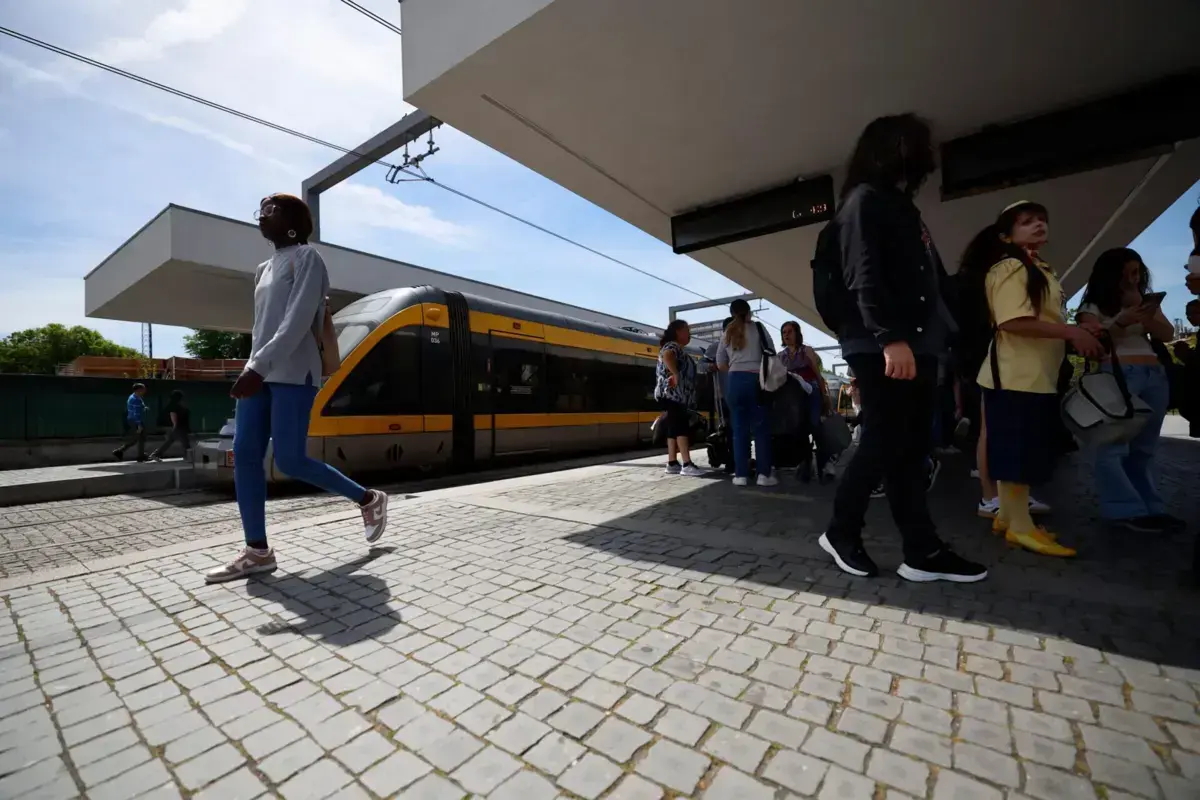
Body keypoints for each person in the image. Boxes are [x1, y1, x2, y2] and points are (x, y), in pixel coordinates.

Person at [816, 113, 987, 582]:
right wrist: (888, 337)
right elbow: (863, 273)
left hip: (915, 341)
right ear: (894, 149)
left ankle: (922, 550)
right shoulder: (864, 201)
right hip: (885, 343)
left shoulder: (897, 206)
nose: (928, 157)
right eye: (920, 146)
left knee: (910, 448)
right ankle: (841, 530)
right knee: (886, 439)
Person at [205, 194, 389, 584]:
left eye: (270, 210)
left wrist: (257, 366)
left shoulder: (307, 259)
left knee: (289, 460)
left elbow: (297, 319)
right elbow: (263, 326)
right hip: (261, 369)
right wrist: (252, 364)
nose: (261, 216)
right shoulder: (263, 268)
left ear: (292, 222)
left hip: (292, 373)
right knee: (245, 454)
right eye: (261, 209)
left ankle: (368, 498)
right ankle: (257, 550)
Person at [973, 201, 1103, 556]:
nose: (1038, 226)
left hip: (1033, 373)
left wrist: (1078, 329)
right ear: (1006, 235)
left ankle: (1012, 519)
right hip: (1016, 373)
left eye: (1041, 220)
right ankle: (1020, 526)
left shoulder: (1038, 268)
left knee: (1021, 449)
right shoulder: (1010, 268)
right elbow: (1012, 322)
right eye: (1027, 222)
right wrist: (1071, 332)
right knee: (1016, 451)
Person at [1078, 247, 1179, 532]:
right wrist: (1119, 321)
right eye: (1129, 273)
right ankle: (1125, 509)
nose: (1135, 279)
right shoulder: (1094, 305)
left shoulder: (1146, 301)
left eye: (1138, 272)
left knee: (1144, 448)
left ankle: (1151, 508)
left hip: (1154, 372)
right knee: (1113, 445)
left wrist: (1148, 315)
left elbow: (1168, 334)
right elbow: (1091, 339)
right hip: (1119, 372)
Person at [717, 299, 776, 487]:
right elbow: (771, 352)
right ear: (749, 312)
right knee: (761, 429)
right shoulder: (758, 328)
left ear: (732, 313)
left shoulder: (727, 332)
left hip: (734, 382)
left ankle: (740, 475)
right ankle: (763, 475)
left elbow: (720, 363)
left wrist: (736, 368)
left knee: (739, 430)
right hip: (756, 381)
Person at [778, 321, 833, 482]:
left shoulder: (806, 351)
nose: (786, 335)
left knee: (815, 425)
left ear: (797, 333)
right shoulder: (781, 356)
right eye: (784, 332)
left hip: (812, 393)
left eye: (790, 331)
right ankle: (806, 461)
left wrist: (825, 397)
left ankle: (825, 462)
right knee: (798, 429)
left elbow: (818, 375)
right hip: (794, 397)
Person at [656, 319, 705, 477]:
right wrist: (676, 373)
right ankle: (687, 463)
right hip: (675, 394)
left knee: (673, 427)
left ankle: (672, 462)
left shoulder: (672, 346)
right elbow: (667, 355)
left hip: (668, 394)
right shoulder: (673, 346)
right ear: (678, 331)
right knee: (681, 426)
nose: (689, 334)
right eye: (687, 331)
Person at [150, 389, 190, 461]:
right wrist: (175, 425)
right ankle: (188, 457)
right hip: (179, 427)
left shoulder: (176, 404)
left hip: (179, 426)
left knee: (170, 441)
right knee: (185, 443)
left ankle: (156, 454)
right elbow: (173, 414)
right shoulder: (174, 405)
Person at [113, 383, 148, 462]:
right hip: (135, 421)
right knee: (141, 438)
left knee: (137, 438)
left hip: (132, 420)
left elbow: (138, 406)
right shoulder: (136, 399)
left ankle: (120, 451)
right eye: (143, 389)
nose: (144, 391)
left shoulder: (133, 397)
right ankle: (140, 456)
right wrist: (139, 425)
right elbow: (136, 413)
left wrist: (144, 407)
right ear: (138, 390)